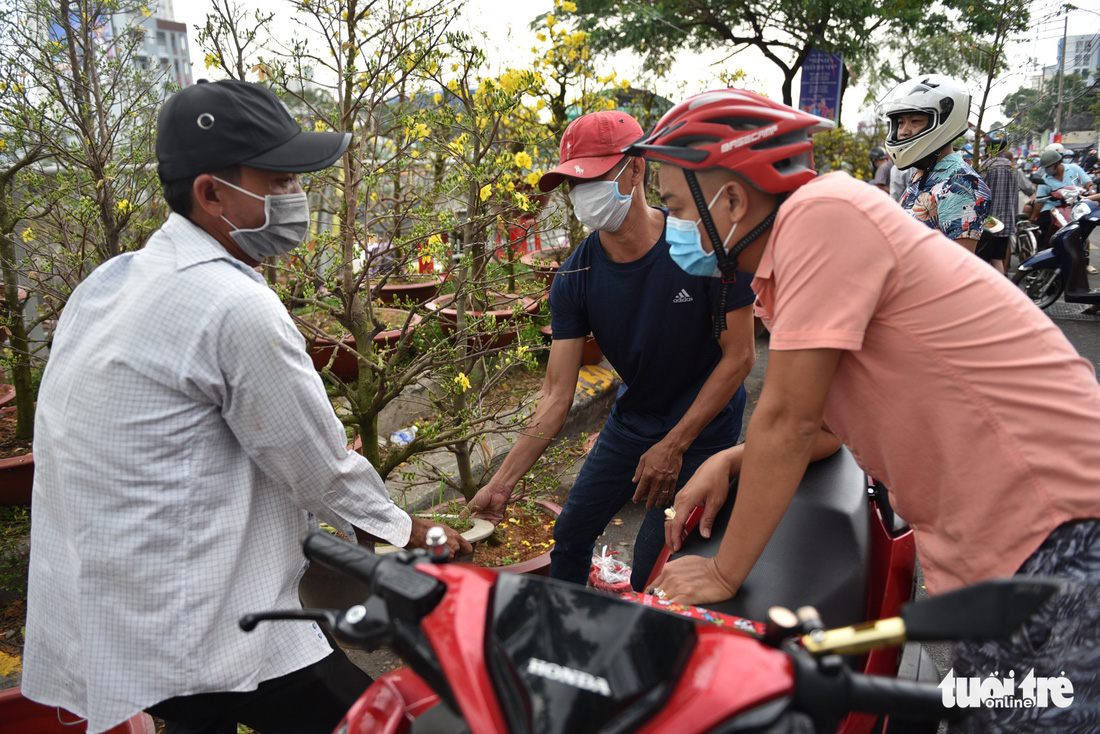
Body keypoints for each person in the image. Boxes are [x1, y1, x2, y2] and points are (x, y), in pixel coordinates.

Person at [628, 88, 1100, 732]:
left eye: (677, 205)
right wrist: (733, 461)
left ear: (732, 201)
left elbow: (788, 422)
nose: (670, 222)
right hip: (995, 544)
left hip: (1060, 525)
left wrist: (722, 569)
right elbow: (824, 425)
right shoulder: (792, 253)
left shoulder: (822, 216)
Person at [22, 79, 472, 734]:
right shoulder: (231, 304)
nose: (296, 198)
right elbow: (315, 465)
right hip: (200, 613)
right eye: (280, 181)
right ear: (211, 193)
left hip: (115, 606)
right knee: (367, 721)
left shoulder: (115, 280)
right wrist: (411, 531)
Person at [465, 110, 756, 591]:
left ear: (636, 170)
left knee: (656, 561)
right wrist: (500, 484)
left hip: (706, 425)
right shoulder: (574, 278)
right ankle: (567, 637)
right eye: (572, 184)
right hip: (635, 418)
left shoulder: (704, 246)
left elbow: (740, 357)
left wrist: (674, 444)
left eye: (593, 179)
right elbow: (557, 396)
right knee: (571, 532)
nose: (582, 196)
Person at [879, 75, 992, 253]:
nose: (903, 131)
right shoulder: (924, 172)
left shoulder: (961, 184)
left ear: (944, 121)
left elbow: (956, 267)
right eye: (900, 123)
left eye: (915, 121)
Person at [1031, 147, 1092, 249]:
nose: (1047, 170)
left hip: (1072, 206)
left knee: (1084, 228)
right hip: (1051, 208)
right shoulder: (1045, 179)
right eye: (1045, 168)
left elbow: (1088, 182)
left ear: (1057, 163)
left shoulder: (1074, 169)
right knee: (1042, 225)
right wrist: (1032, 218)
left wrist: (1091, 190)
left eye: (1049, 167)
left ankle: (1084, 257)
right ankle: (1042, 250)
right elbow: (1039, 201)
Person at [978, 148, 1019, 274]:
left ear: (990, 149)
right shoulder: (1012, 166)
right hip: (1006, 220)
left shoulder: (987, 165)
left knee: (982, 261)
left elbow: (978, 191)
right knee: (997, 259)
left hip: (989, 222)